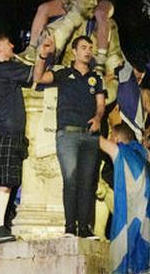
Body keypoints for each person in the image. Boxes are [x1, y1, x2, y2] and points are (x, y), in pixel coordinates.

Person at [32, 35, 105, 238]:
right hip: (68, 134)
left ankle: (84, 227)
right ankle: (69, 227)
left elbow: (100, 105)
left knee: (88, 181)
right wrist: (42, 55)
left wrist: (99, 118)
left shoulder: (95, 78)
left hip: (90, 134)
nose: (88, 51)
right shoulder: (63, 73)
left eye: (90, 47)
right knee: (71, 179)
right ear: (74, 51)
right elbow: (38, 78)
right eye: (83, 47)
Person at [0, 34, 34, 243]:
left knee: (7, 181)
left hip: (6, 131)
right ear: (1, 47)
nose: (13, 45)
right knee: (4, 181)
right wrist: (45, 56)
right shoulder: (4, 68)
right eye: (9, 43)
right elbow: (33, 75)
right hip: (6, 131)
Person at [99, 122, 150, 274]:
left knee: (130, 270)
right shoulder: (140, 151)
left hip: (131, 215)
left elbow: (98, 140)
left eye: (111, 136)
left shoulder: (121, 152)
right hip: (149, 214)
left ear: (115, 138)